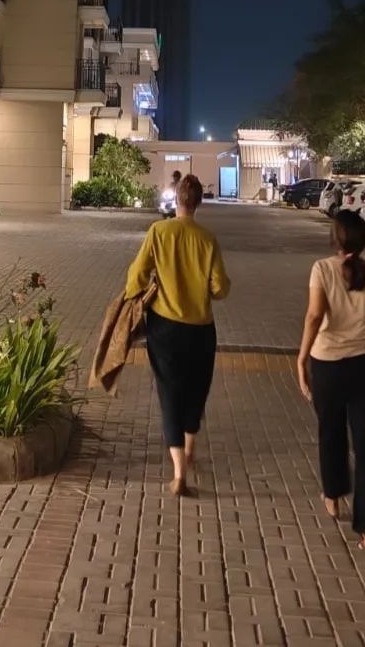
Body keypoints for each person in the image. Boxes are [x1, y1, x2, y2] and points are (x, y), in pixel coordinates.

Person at [297, 211, 365, 561]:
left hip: (328, 365)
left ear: (334, 239)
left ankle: (333, 495)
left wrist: (301, 357)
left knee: (331, 431)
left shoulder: (322, 270)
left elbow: (314, 316)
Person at [126, 173, 231, 497]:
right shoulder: (207, 239)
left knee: (170, 392)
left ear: (176, 200)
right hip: (201, 329)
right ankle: (190, 448)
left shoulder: (159, 231)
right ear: (199, 203)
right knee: (196, 390)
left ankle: (178, 472)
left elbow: (137, 274)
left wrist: (133, 299)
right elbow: (220, 288)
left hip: (165, 328)